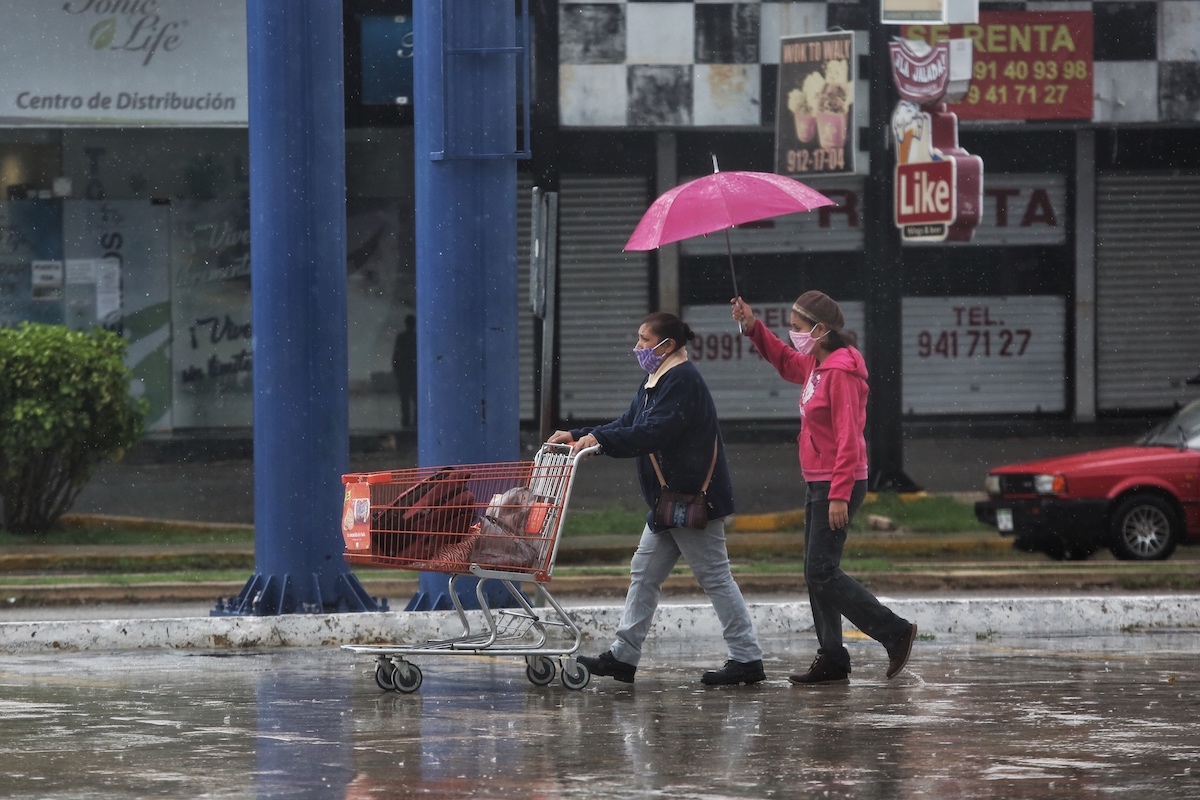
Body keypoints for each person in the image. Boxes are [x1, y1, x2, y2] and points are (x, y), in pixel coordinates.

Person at [549, 311, 764, 686]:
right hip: (669, 502)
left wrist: (601, 443)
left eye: (644, 340)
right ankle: (623, 656)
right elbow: (628, 423)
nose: (638, 347)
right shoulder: (657, 380)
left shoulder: (682, 380)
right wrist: (580, 435)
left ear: (667, 345)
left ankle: (747, 659)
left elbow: (653, 432)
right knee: (644, 573)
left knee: (714, 577)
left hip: (693, 500)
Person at [731, 291, 917, 685]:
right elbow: (784, 359)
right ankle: (832, 657)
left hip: (838, 482)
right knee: (815, 571)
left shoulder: (840, 372)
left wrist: (838, 493)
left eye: (797, 328)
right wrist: (752, 326)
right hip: (820, 480)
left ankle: (894, 631)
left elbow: (850, 438)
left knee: (821, 571)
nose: (793, 334)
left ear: (820, 330)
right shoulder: (817, 366)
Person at [392, 314, 417, 429]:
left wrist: (397, 370)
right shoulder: (417, 337)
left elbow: (396, 356)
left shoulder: (401, 337)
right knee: (416, 399)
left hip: (404, 373)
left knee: (405, 400)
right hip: (414, 373)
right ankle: (416, 423)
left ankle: (406, 422)